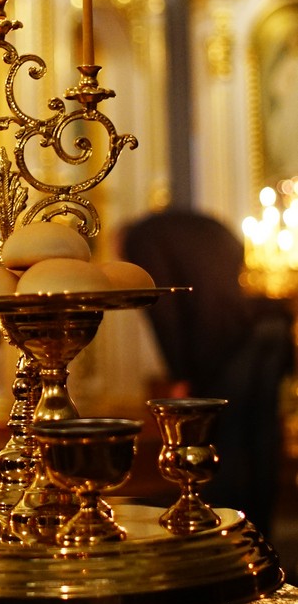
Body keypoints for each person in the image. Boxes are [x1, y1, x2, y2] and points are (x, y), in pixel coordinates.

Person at [121, 208, 294, 539]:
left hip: (225, 344)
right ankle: (261, 536)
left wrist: (179, 373)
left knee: (224, 440)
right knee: (262, 435)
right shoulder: (201, 226)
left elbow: (163, 308)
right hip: (271, 325)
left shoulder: (139, 238)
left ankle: (226, 537)